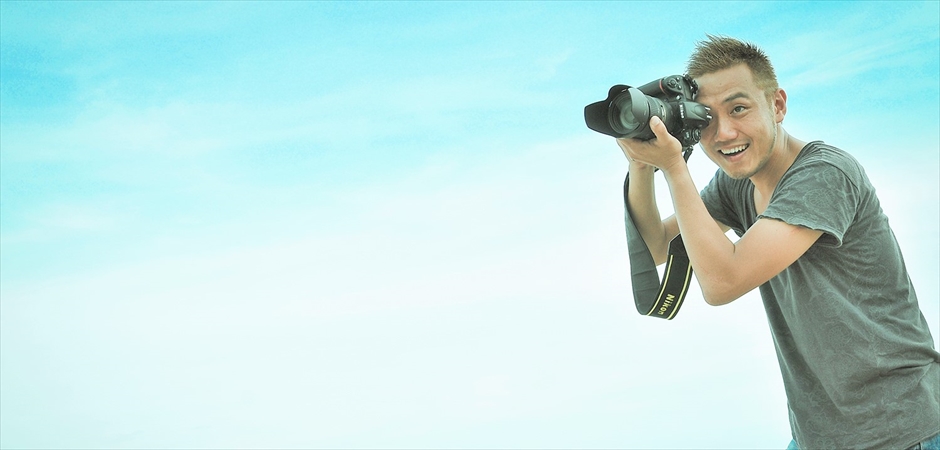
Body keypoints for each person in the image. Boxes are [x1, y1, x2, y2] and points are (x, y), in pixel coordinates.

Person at [617, 35, 940, 449]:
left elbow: (722, 282)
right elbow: (659, 247)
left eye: (738, 108)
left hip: (903, 430)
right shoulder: (738, 185)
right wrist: (642, 166)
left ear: (778, 105)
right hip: (818, 437)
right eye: (706, 119)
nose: (724, 132)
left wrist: (675, 167)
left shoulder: (824, 175)